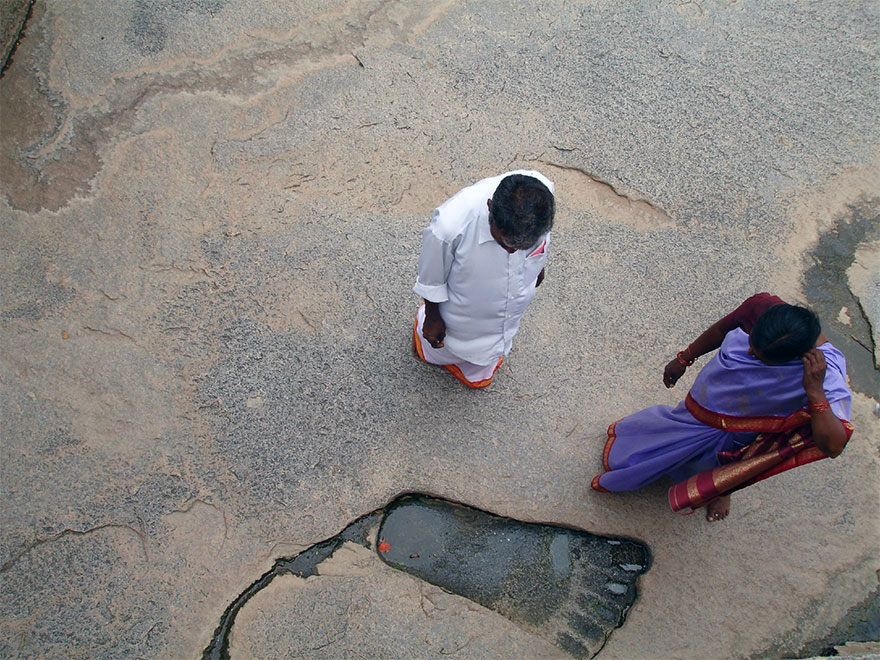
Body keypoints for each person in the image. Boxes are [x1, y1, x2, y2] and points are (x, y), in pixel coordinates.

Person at [591, 293, 854, 521]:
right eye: (752, 344)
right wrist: (684, 358)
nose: (749, 354)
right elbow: (722, 329)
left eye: (761, 359)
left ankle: (722, 489)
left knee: (730, 459)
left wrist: (815, 392)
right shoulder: (763, 307)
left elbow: (833, 446)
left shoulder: (823, 374)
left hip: (746, 427)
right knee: (679, 432)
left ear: (794, 359)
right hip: (705, 403)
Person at [413, 171, 555, 388]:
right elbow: (432, 277)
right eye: (504, 243)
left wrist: (537, 265)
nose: (510, 251)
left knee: (496, 335)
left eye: (521, 247)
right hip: (462, 313)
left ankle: (482, 362)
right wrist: (432, 316)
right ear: (489, 207)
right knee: (456, 342)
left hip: (507, 312)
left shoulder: (541, 193)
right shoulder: (448, 227)